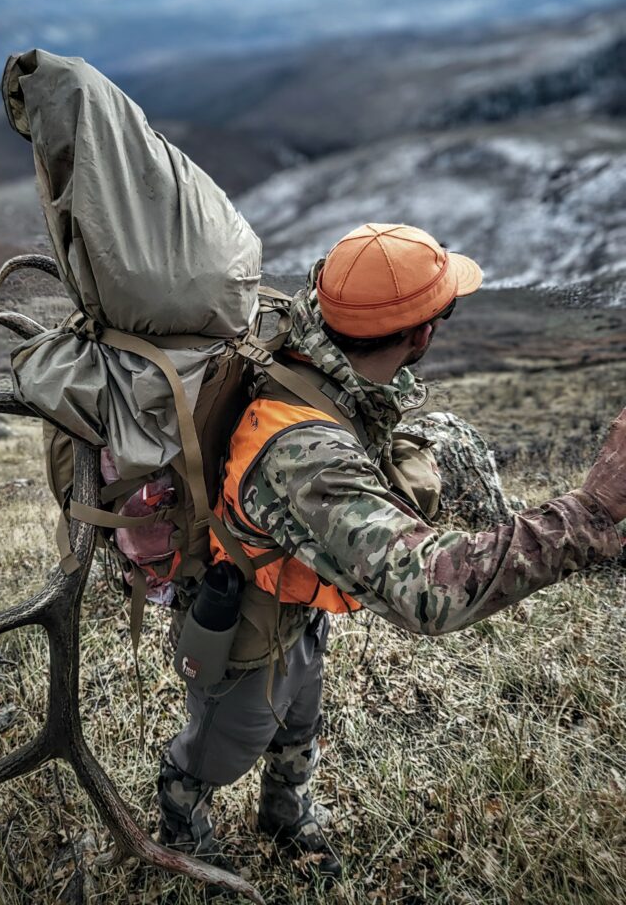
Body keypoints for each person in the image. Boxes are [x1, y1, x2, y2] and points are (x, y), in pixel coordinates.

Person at [157, 222, 625, 883]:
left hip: (301, 598)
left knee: (298, 723)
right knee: (219, 749)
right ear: (422, 335)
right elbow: (430, 591)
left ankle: (287, 817)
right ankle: (179, 824)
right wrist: (592, 512)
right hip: (244, 632)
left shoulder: (319, 348)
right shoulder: (305, 455)